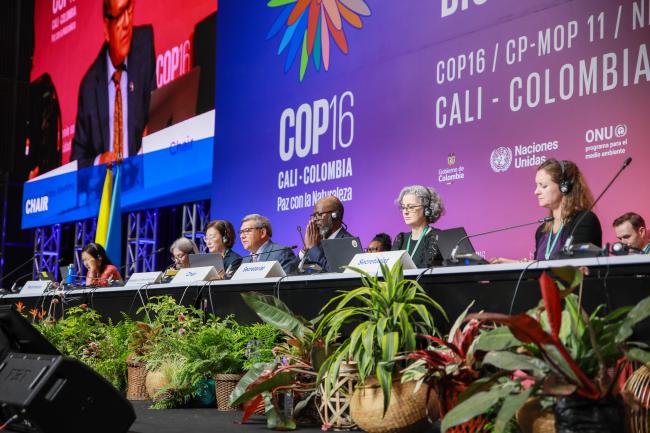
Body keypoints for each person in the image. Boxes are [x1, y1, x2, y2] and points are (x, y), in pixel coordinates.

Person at [71, 0, 157, 168]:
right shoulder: (89, 86)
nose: (126, 23)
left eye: (129, 10)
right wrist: (98, 163)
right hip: (107, 189)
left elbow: (155, 111)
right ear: (106, 28)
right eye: (118, 15)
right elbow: (75, 163)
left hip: (142, 179)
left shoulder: (144, 45)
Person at [492, 159, 602, 263]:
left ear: (564, 187)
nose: (536, 192)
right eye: (537, 185)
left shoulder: (584, 220)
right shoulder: (542, 230)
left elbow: (572, 266)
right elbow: (535, 274)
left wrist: (519, 264)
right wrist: (511, 265)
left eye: (543, 186)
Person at [392, 185, 445, 268]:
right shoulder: (400, 239)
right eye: (403, 207)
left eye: (411, 207)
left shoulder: (437, 237)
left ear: (427, 209)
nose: (405, 212)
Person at [300, 196, 354, 272]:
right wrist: (305, 249)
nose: (315, 220)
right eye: (314, 216)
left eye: (319, 215)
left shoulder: (348, 243)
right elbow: (293, 272)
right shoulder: (316, 244)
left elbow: (337, 272)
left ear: (335, 215)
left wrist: (313, 249)